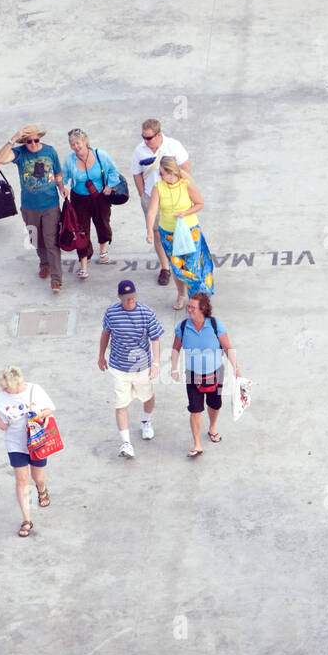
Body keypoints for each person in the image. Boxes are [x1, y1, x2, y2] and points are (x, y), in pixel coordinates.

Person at [0, 366, 55, 538]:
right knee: (22, 481)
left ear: (17, 383)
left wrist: (38, 412)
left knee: (38, 477)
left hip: (36, 441)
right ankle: (27, 520)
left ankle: (42, 489)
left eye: (7, 387)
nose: (4, 390)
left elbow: (50, 409)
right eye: (2, 386)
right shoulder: (0, 399)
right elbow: (4, 426)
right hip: (15, 444)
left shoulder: (34, 390)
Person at [98, 280, 163, 459]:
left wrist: (156, 364)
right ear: (120, 297)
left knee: (148, 397)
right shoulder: (111, 313)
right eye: (126, 299)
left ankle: (146, 421)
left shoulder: (147, 313)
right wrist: (101, 356)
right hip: (119, 368)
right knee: (121, 404)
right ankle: (126, 443)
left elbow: (155, 338)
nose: (130, 301)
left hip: (142, 367)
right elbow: (106, 334)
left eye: (133, 297)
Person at [0, 124, 65, 292]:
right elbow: (0, 159)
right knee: (36, 240)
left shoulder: (50, 151)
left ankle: (56, 280)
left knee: (52, 242)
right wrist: (13, 139)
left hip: (50, 206)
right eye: (29, 141)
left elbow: (57, 173)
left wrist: (61, 186)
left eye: (36, 140)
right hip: (29, 207)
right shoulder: (20, 153)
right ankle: (44, 264)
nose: (33, 144)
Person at [171, 293, 240, 458]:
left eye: (192, 307)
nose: (189, 310)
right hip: (192, 375)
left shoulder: (216, 325)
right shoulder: (182, 327)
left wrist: (236, 369)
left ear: (203, 308)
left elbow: (228, 348)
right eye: (188, 306)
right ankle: (197, 444)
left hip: (215, 373)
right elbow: (175, 349)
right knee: (195, 409)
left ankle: (212, 428)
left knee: (214, 404)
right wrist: (174, 369)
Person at [145, 156, 214, 310]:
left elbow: (200, 203)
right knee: (177, 268)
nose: (161, 176)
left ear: (171, 172)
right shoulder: (158, 187)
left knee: (191, 266)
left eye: (163, 173)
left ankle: (197, 299)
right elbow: (152, 211)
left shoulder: (186, 185)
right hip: (168, 234)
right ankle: (181, 294)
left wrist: (186, 212)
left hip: (190, 232)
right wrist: (149, 230)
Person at [131, 119, 191, 286]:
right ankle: (165, 268)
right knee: (157, 233)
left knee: (178, 230)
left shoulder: (174, 146)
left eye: (149, 137)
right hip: (152, 196)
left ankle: (181, 262)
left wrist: (183, 192)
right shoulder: (139, 151)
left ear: (158, 135)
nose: (145, 140)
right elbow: (136, 173)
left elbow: (186, 169)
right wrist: (142, 193)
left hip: (173, 197)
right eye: (143, 136)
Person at [60, 128, 121, 279]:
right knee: (81, 231)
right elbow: (64, 177)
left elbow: (114, 170)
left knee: (103, 223)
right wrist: (63, 187)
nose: (76, 147)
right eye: (73, 144)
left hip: (99, 197)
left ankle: (103, 251)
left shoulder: (100, 155)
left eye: (78, 143)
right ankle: (83, 265)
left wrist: (110, 185)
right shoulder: (70, 160)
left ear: (85, 141)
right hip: (79, 199)